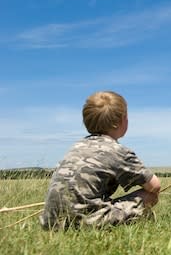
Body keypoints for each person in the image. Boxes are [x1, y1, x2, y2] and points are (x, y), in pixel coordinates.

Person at [40, 91, 161, 230]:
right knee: (149, 196)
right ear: (120, 121)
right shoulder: (119, 152)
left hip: (51, 223)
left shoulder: (76, 147)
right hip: (86, 224)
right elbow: (155, 186)